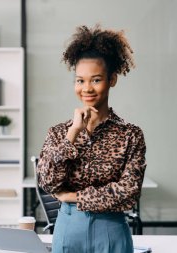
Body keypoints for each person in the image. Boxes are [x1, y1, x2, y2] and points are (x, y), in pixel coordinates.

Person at [36, 25, 147, 253]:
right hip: (67, 230)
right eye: (80, 80)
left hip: (112, 230)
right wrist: (73, 133)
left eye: (96, 80)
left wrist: (73, 197)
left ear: (112, 79)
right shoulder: (59, 132)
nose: (87, 88)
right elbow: (47, 182)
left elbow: (129, 193)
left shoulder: (130, 135)